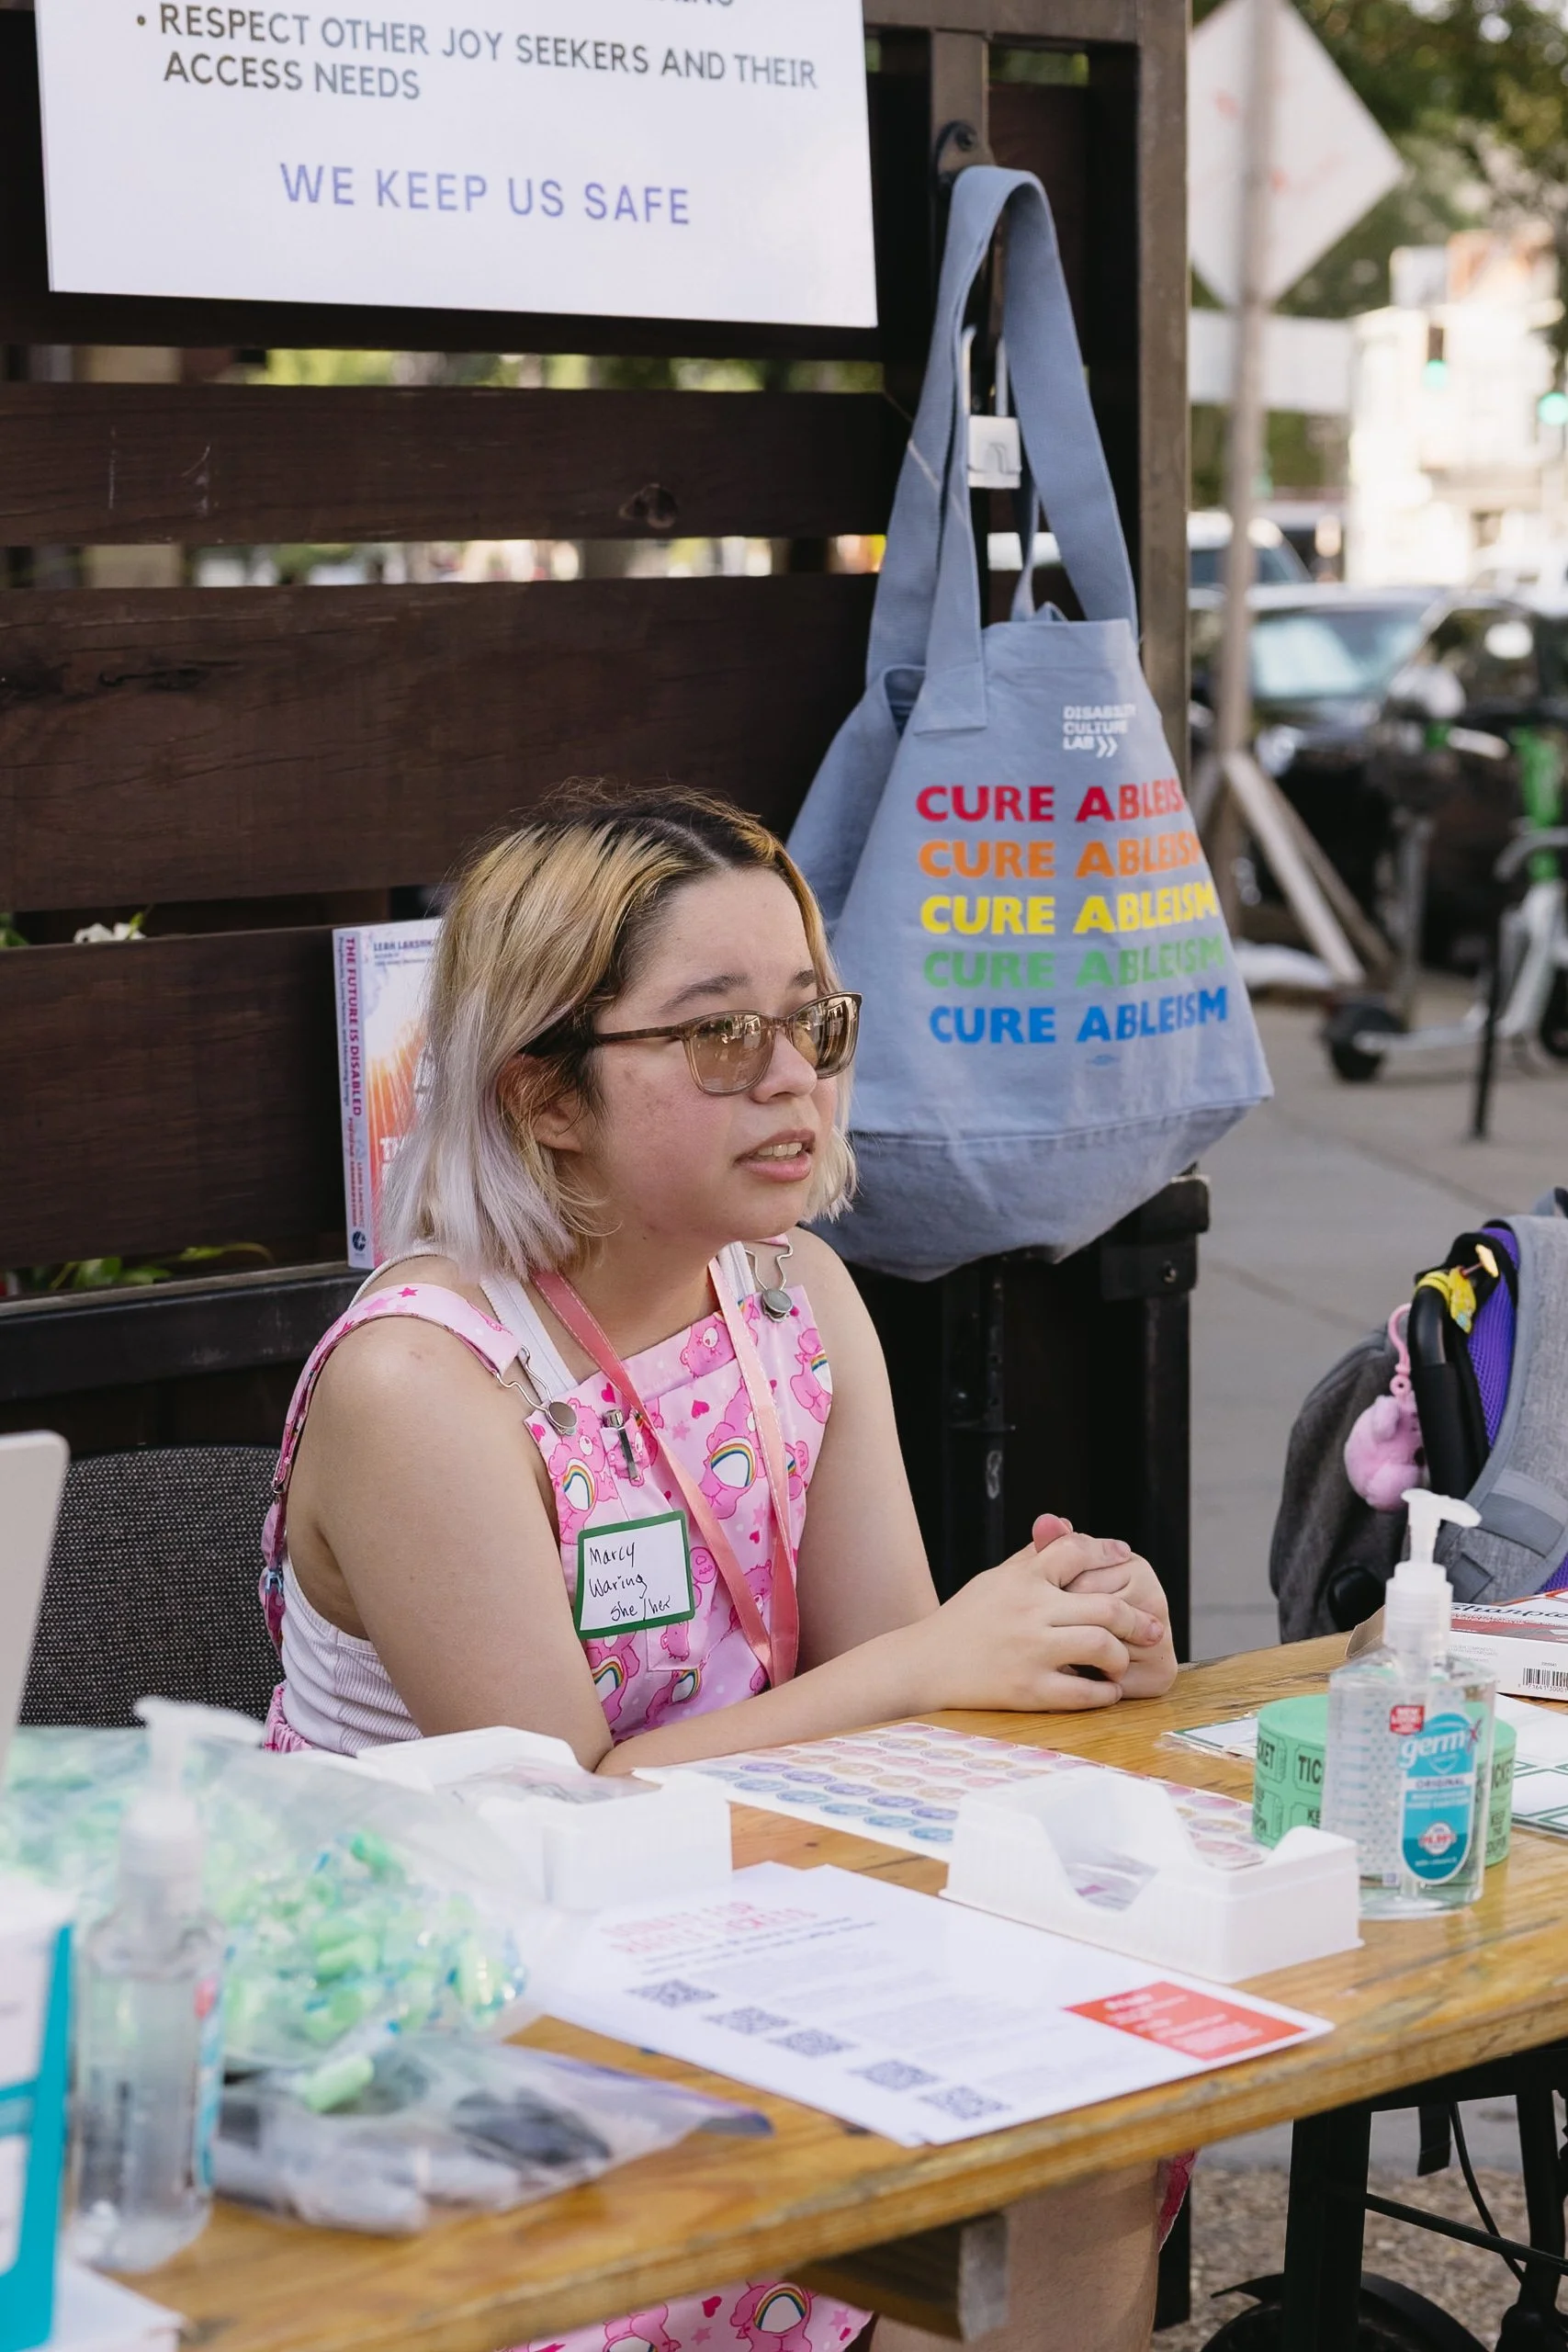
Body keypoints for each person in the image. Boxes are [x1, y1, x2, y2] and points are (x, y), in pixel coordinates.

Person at [260, 786, 1185, 2352]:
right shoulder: (426, 1382)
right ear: (545, 1093)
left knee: (1096, 2129)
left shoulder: (789, 1295)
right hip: (454, 2022)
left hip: (741, 1943)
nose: (789, 1081)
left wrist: (1055, 1641)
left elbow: (907, 1704)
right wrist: (932, 1661)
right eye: (712, 1036)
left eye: (811, 1025)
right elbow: (552, 1811)